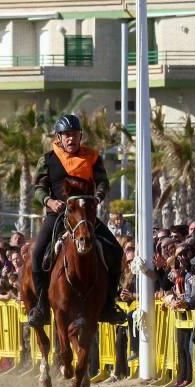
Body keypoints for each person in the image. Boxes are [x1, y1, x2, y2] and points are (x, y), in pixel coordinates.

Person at [28, 114, 128, 328]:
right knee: (37, 254)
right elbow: (38, 189)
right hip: (58, 215)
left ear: (80, 135)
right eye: (67, 135)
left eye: (74, 135)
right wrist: (49, 202)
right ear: (59, 137)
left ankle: (109, 304)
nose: (71, 139)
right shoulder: (47, 159)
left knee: (116, 251)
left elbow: (102, 183)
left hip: (85, 216)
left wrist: (97, 197)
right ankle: (42, 306)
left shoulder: (92, 157)